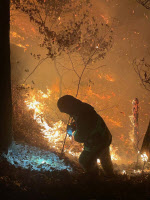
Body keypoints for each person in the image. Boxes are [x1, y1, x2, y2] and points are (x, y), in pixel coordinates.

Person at [57, 95, 114, 176]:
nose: (67, 113)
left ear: (69, 107)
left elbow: (81, 137)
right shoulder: (82, 108)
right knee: (105, 159)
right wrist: (74, 125)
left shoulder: (83, 115)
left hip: (98, 141)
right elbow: (85, 123)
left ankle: (94, 177)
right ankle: (110, 177)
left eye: (66, 111)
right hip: (104, 136)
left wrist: (75, 133)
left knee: (84, 160)